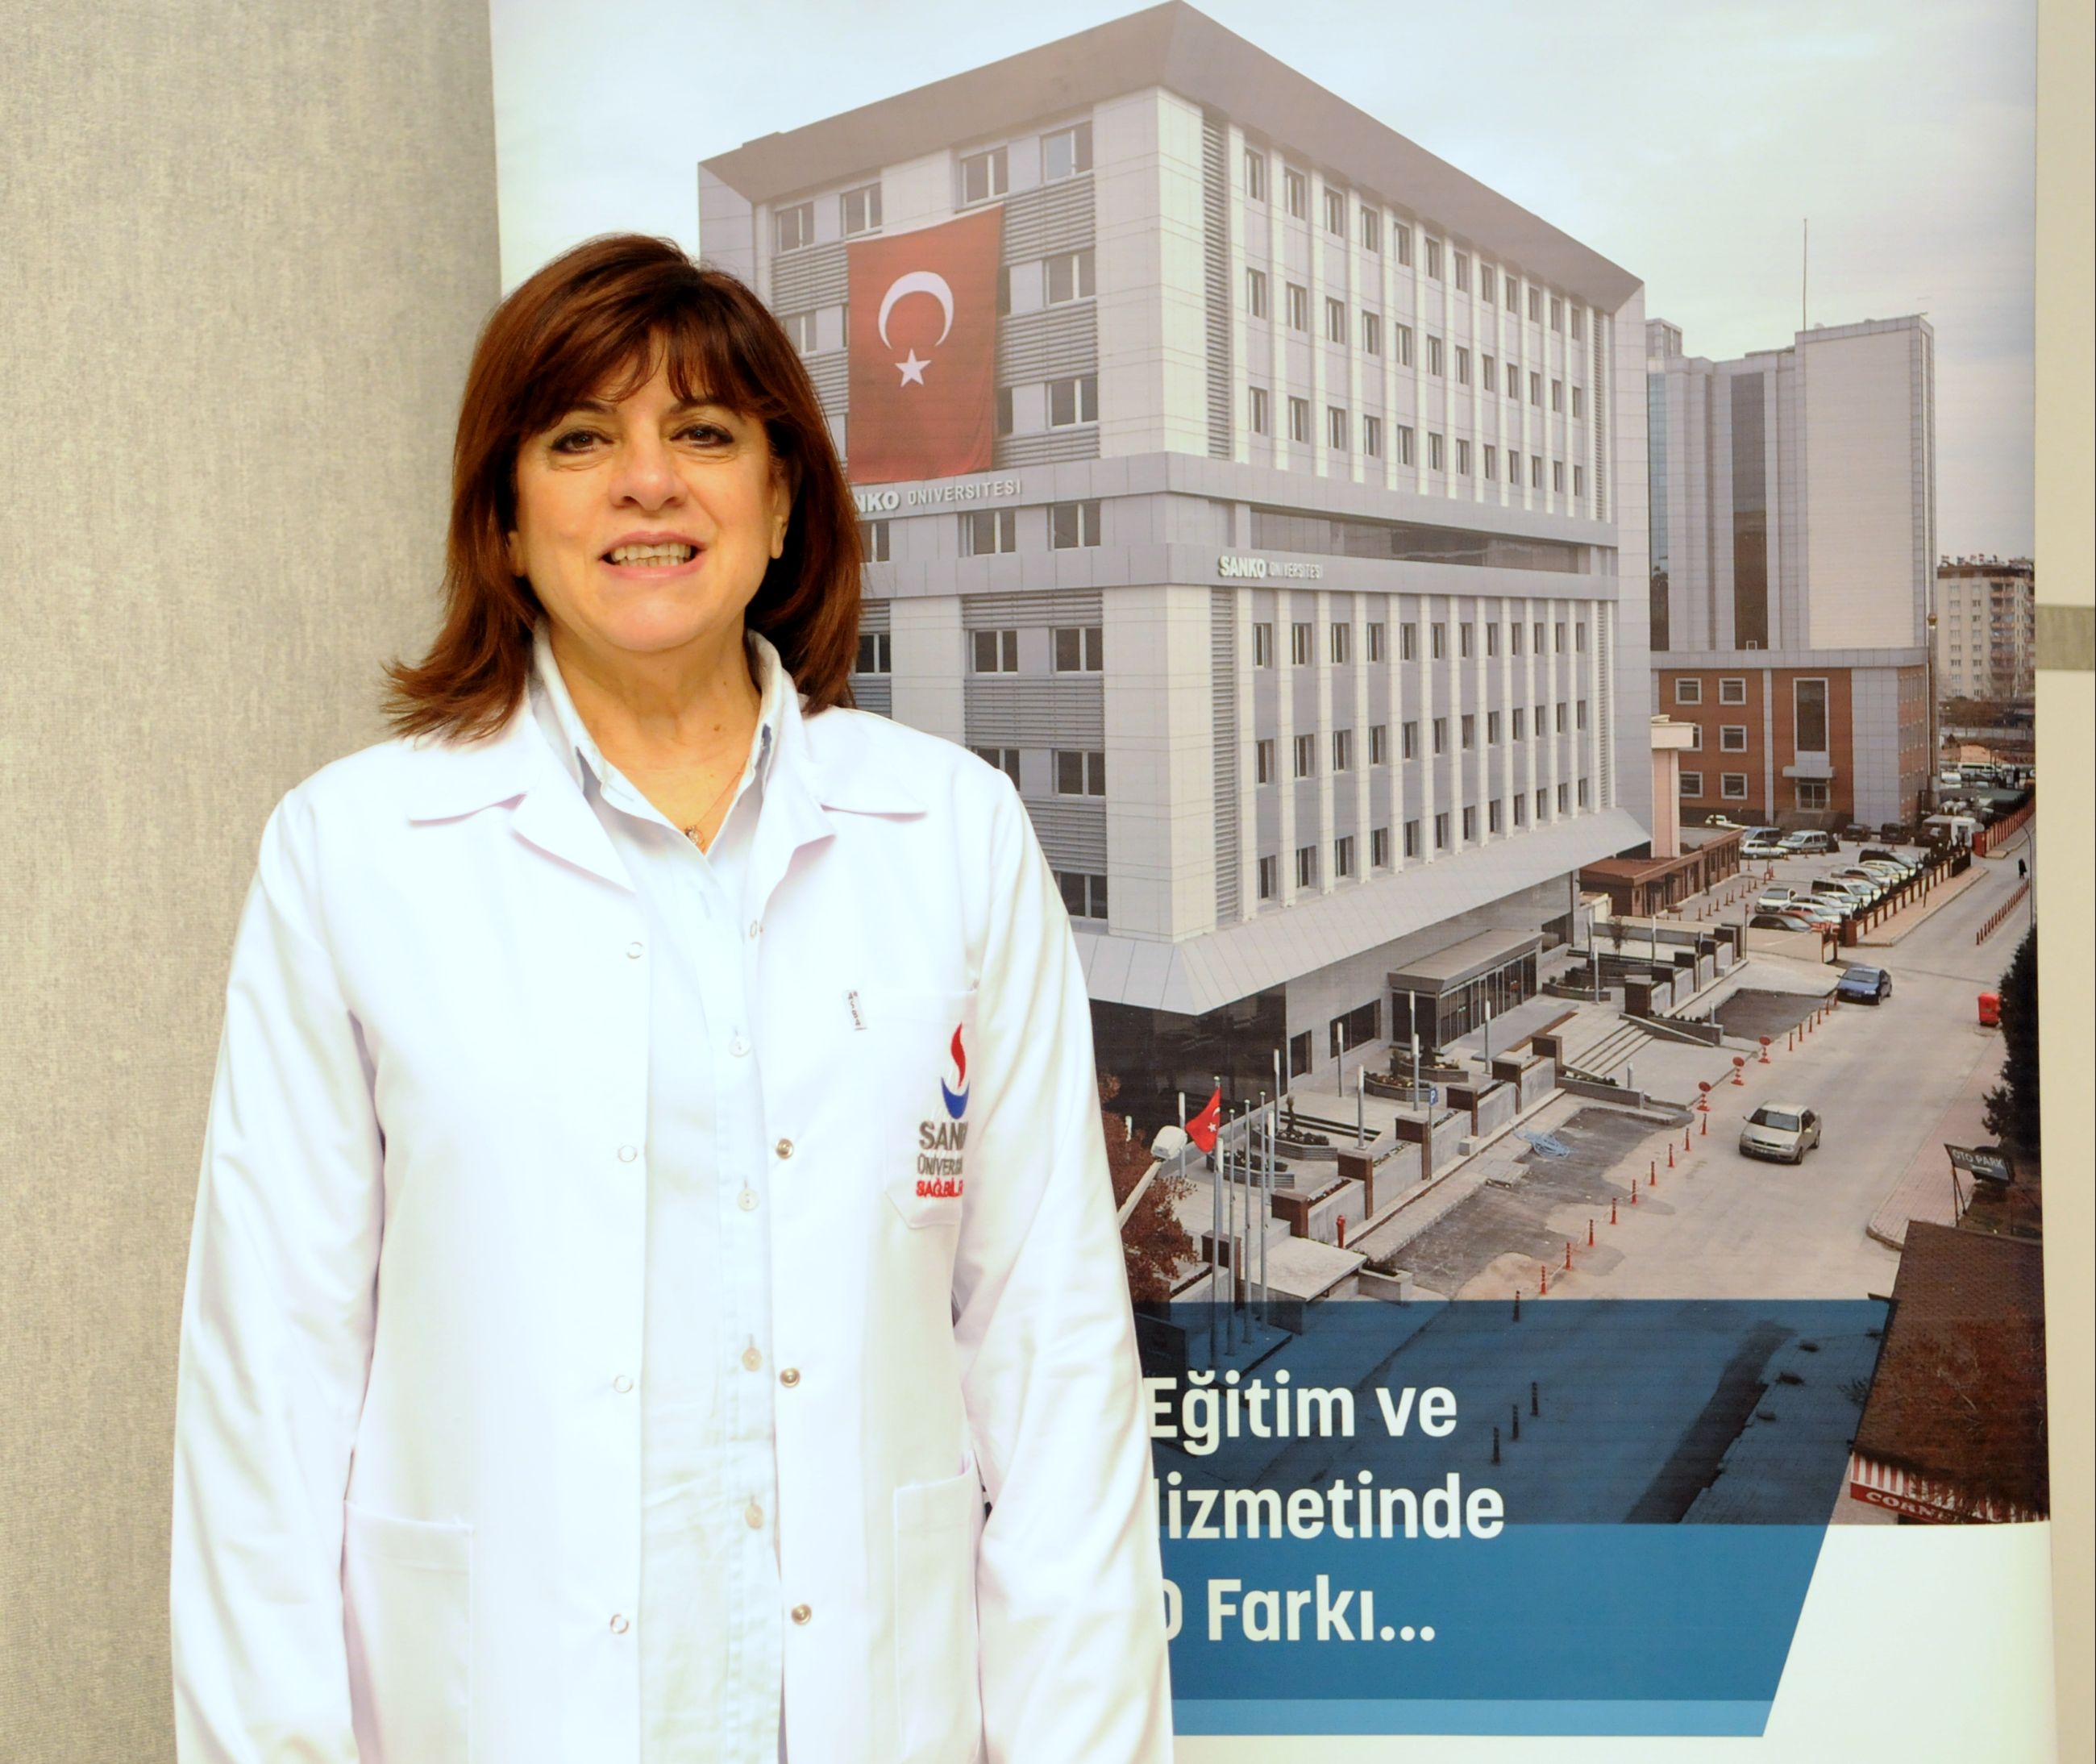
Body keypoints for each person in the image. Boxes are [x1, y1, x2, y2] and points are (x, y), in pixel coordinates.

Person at [171, 234, 1172, 1764]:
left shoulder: (951, 835)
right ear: (506, 522)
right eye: (581, 441)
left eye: (703, 434)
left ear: (783, 503)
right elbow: (268, 1387)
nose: (648, 484)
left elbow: (1055, 1361)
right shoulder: (353, 852)